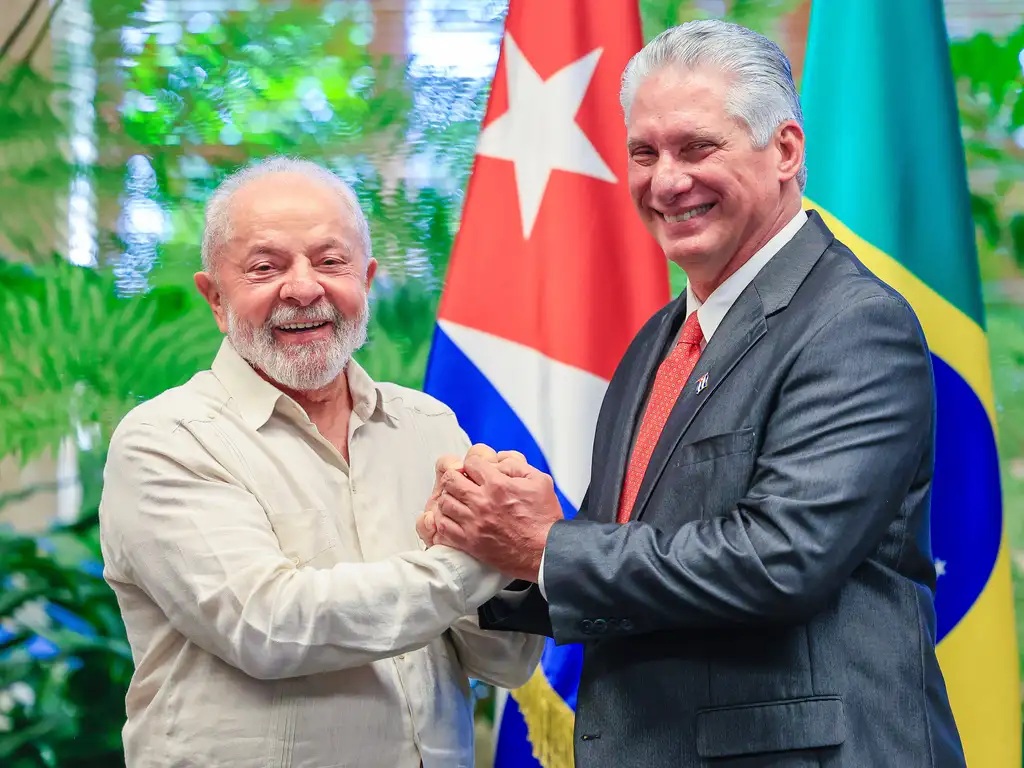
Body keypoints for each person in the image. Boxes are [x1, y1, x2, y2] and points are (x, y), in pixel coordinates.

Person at [419, 20, 966, 768]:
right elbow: (627, 563)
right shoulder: (659, 340)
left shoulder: (854, 323)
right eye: (644, 153)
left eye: (697, 147)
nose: (666, 180)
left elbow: (779, 560)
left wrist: (546, 543)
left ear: (786, 150)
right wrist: (486, 551)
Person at [98, 156, 543, 768]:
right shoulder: (167, 440)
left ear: (367, 279)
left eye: (331, 262)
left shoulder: (428, 426)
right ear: (215, 297)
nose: (305, 288)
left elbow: (503, 664)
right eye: (265, 267)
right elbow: (269, 628)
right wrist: (494, 553)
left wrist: (518, 566)